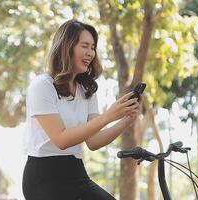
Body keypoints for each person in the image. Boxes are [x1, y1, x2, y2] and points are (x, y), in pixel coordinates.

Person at [21, 19, 141, 200]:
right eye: (85, 46)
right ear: (66, 47)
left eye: (93, 47)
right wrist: (108, 116)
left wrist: (125, 120)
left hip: (75, 172)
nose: (90, 53)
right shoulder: (42, 86)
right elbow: (61, 139)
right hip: (44, 177)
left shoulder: (87, 90)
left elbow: (93, 141)